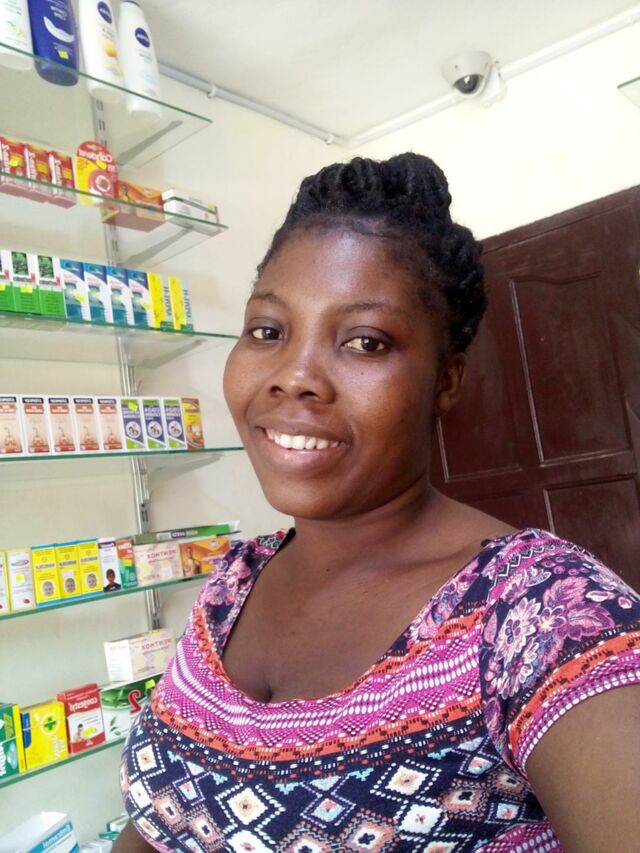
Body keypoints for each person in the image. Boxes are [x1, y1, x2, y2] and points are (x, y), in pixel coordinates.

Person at [115, 154, 640, 852]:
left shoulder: (542, 614)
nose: (294, 377)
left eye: (365, 342)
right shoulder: (230, 586)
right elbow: (159, 821)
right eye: (268, 331)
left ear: (446, 381)